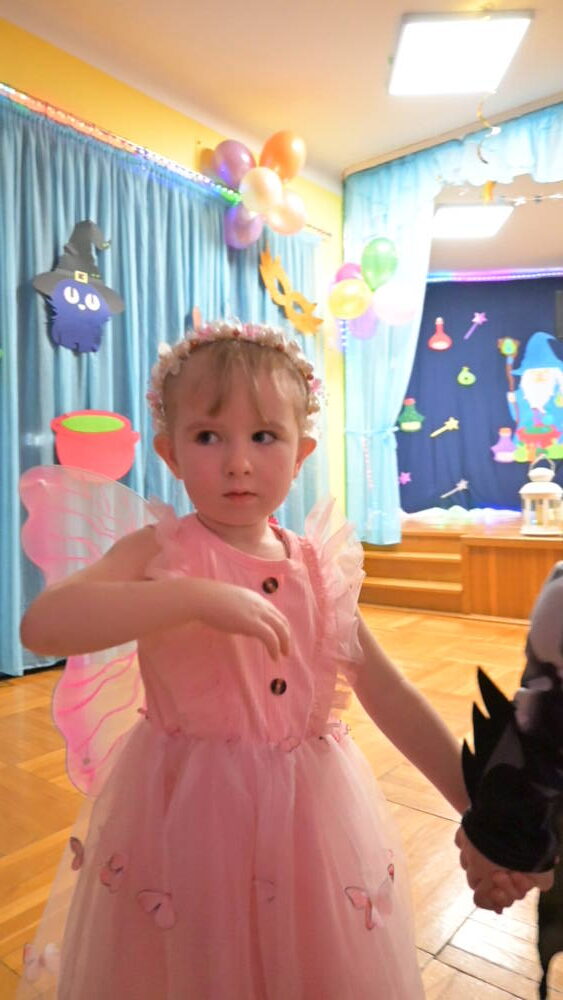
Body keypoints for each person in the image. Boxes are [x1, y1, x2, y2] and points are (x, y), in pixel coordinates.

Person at [17, 320, 513, 998]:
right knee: (198, 963)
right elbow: (44, 625)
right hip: (188, 818)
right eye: (207, 437)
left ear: (301, 452)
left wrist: (480, 815)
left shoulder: (318, 566)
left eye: (264, 436)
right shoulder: (159, 552)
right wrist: (187, 598)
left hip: (310, 819)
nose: (238, 463)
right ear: (169, 453)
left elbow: (387, 692)